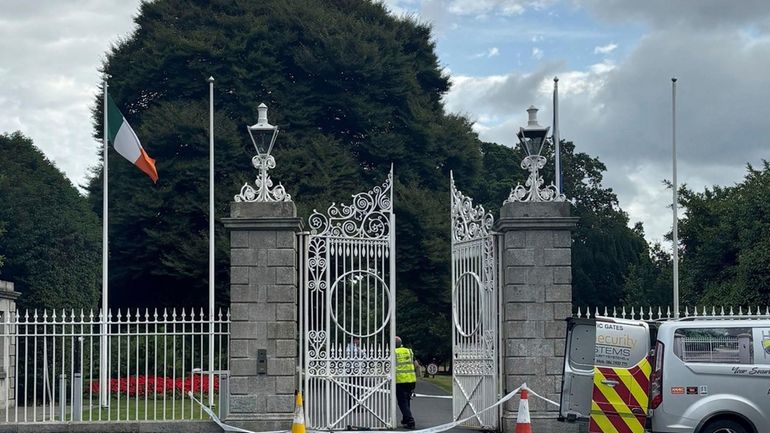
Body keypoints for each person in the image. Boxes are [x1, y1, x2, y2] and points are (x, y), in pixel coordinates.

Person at [394, 336, 416, 429]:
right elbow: (417, 365)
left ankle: (410, 420)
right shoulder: (409, 351)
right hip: (411, 380)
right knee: (406, 400)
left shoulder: (393, 353)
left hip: (400, 380)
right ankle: (405, 419)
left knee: (402, 402)